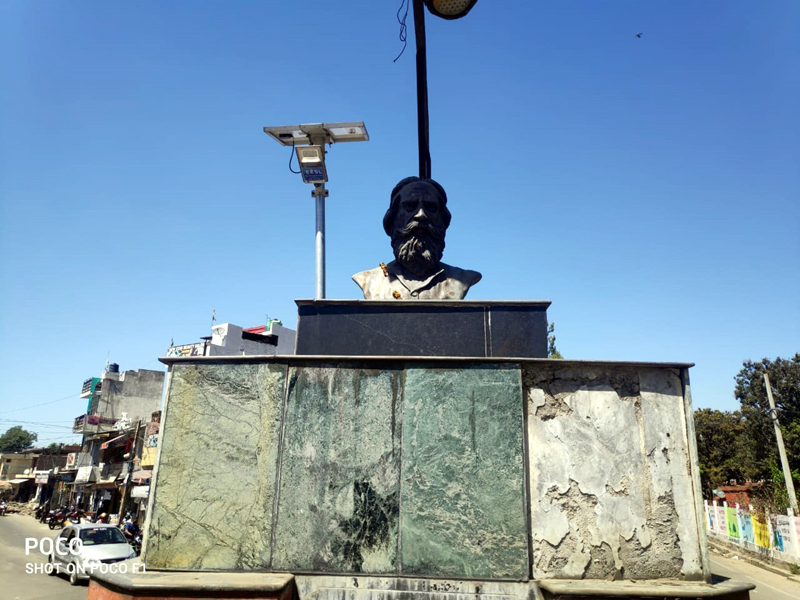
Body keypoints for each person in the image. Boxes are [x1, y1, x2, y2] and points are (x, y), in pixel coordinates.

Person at [352, 177, 481, 299]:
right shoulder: (370, 280)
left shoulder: (462, 278)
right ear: (392, 221)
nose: (421, 215)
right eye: (410, 206)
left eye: (431, 207)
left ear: (443, 220)